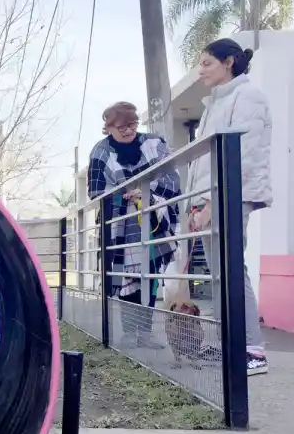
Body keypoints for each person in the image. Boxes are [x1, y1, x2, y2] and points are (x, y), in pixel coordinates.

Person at [184, 38, 272, 376]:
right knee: (221, 274)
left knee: (233, 270)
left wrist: (209, 203)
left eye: (207, 63)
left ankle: (252, 350)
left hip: (232, 196)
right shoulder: (213, 106)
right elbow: (203, 162)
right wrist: (196, 204)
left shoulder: (248, 98)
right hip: (209, 199)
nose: (201, 70)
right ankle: (228, 344)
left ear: (229, 62)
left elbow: (242, 157)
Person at [87, 101, 180, 348]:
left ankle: (146, 333)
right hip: (120, 227)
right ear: (108, 129)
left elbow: (172, 180)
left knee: (149, 276)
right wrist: (125, 193)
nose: (127, 130)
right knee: (126, 278)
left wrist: (146, 192)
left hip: (153, 220)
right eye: (120, 127)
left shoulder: (154, 143)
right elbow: (96, 191)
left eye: (131, 124)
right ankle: (130, 332)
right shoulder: (100, 152)